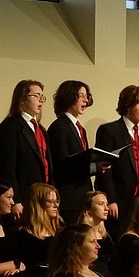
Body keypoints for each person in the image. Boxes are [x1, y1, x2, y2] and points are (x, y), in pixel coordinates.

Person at [95, 85, 139, 239]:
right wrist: (110, 200)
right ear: (128, 104)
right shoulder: (110, 131)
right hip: (120, 200)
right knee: (119, 239)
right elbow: (104, 169)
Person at [0, 80, 54, 221]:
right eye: (36, 96)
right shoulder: (10, 127)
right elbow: (7, 168)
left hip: (42, 198)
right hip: (24, 197)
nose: (40, 101)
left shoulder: (41, 129)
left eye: (42, 97)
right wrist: (16, 200)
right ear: (22, 99)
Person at [47, 80, 97, 222]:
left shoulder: (80, 128)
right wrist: (93, 166)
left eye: (86, 96)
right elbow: (62, 164)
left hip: (82, 196)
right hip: (69, 198)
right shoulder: (59, 127)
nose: (85, 100)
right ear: (69, 97)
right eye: (80, 95)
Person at [16, 182, 62, 270]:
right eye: (50, 202)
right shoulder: (23, 235)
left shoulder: (60, 230)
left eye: (56, 201)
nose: (56, 206)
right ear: (37, 205)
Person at [77, 191, 115, 276]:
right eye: (101, 204)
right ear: (88, 209)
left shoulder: (106, 235)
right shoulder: (80, 234)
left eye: (107, 204)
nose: (107, 208)